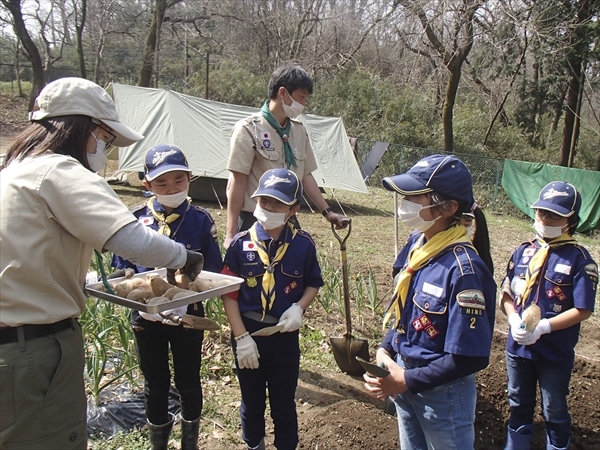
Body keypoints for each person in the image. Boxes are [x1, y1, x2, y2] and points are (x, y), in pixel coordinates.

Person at [0, 77, 204, 450]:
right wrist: (183, 256)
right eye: (106, 140)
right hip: (31, 351)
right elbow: (131, 240)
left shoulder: (14, 171)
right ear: (85, 129)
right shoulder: (59, 170)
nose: (104, 150)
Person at [363, 154, 497, 450]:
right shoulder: (417, 244)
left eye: (414, 197)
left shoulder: (465, 271)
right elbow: (405, 311)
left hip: (442, 397)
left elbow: (470, 356)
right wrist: (386, 349)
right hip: (403, 379)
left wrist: (408, 380)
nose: (404, 204)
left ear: (448, 208)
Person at [110, 144, 223, 450]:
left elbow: (212, 268)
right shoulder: (135, 222)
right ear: (146, 184)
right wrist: (136, 291)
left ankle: (190, 443)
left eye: (178, 180)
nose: (171, 188)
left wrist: (189, 285)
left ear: (190, 178)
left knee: (188, 380)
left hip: (188, 316)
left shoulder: (200, 220)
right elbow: (124, 270)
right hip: (146, 317)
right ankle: (158, 443)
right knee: (155, 382)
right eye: (161, 183)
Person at [221, 168, 324, 450]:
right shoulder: (240, 245)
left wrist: (299, 308)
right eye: (263, 200)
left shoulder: (302, 245)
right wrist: (241, 337)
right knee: (251, 401)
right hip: (248, 333)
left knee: (283, 403)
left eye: (277, 203)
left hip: (283, 336)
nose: (268, 207)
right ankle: (255, 445)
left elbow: (313, 283)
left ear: (293, 209)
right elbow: (229, 294)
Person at [499, 181, 597, 450]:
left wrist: (544, 327)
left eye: (554, 215)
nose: (545, 219)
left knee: (554, 408)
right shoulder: (523, 251)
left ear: (571, 220)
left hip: (554, 350)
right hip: (518, 348)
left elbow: (583, 309)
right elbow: (507, 293)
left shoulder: (579, 260)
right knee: (518, 401)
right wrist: (512, 318)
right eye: (541, 212)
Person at [225, 63, 346, 248]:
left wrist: (328, 212)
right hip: (254, 218)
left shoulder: (298, 131)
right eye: (301, 97)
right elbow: (238, 181)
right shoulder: (249, 129)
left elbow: (305, 176)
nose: (303, 104)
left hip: (288, 219)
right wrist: (231, 233)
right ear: (283, 93)